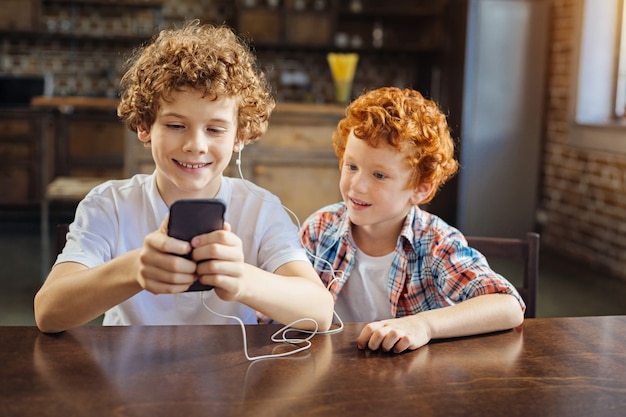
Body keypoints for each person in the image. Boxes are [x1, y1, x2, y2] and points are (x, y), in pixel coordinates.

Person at [34, 20, 334, 334]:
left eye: (215, 129)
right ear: (144, 126)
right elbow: (48, 311)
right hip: (126, 378)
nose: (195, 145)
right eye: (176, 126)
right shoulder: (109, 204)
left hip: (233, 378)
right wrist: (134, 269)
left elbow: (320, 312)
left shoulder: (261, 209)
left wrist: (242, 279)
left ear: (239, 136)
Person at [299, 87, 524, 353]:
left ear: (421, 189)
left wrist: (423, 326)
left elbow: (508, 307)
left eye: (379, 175)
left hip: (413, 382)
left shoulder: (436, 242)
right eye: (352, 166)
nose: (356, 186)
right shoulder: (319, 228)